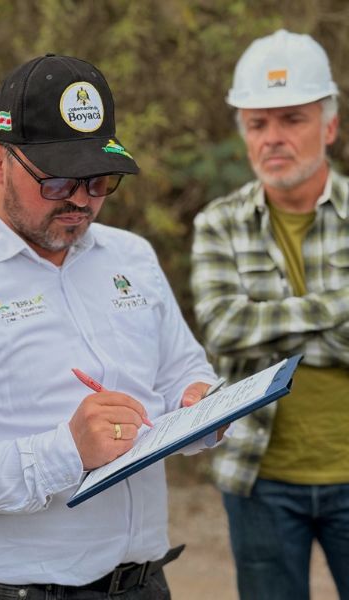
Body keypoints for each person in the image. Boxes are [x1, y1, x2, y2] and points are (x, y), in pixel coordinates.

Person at [0, 54, 220, 599]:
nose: (81, 199)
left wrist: (201, 403)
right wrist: (69, 451)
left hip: (143, 583)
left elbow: (185, 369)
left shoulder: (133, 257)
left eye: (99, 180)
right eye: (59, 180)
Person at [191, 29, 349, 600]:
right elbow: (224, 328)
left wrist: (273, 328)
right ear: (243, 134)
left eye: (292, 119)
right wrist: (337, 309)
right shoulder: (217, 224)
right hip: (258, 477)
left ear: (328, 125)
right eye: (258, 124)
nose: (274, 137)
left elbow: (246, 330)